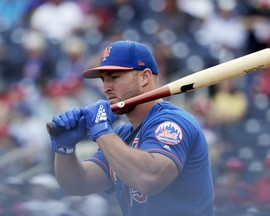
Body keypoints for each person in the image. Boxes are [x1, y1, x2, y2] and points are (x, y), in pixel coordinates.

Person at [49, 40, 214, 216]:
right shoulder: (120, 136)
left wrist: (100, 130)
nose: (106, 88)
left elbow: (150, 178)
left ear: (144, 77)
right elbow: (78, 185)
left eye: (114, 77)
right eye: (103, 80)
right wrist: (64, 149)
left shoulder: (173, 121)